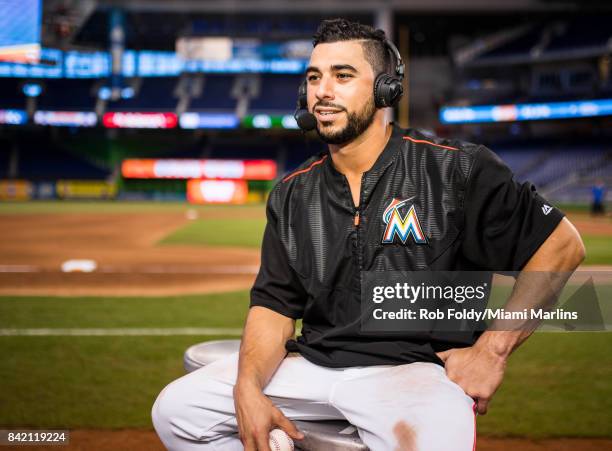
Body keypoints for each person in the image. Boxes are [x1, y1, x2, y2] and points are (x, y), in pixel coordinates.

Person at [152, 18, 585, 451]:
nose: (322, 90)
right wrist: (247, 388)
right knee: (176, 411)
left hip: (413, 372)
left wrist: (491, 350)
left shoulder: (456, 168)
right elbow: (273, 306)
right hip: (312, 364)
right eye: (313, 77)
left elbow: (563, 244)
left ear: (385, 91)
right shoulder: (291, 192)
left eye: (342, 75)